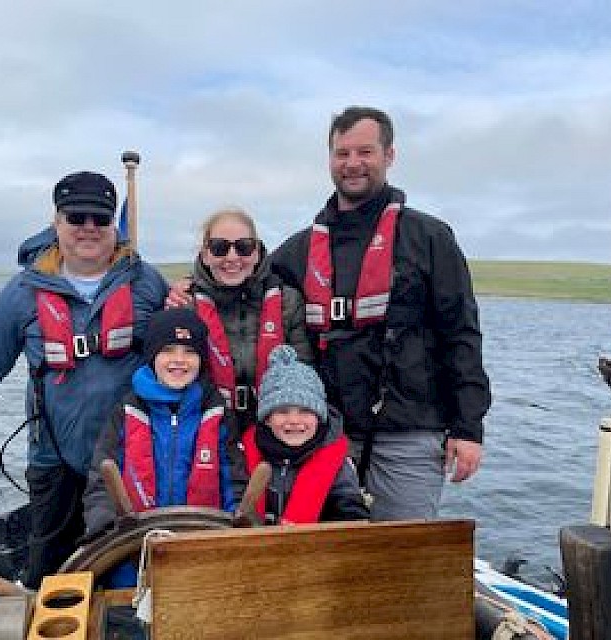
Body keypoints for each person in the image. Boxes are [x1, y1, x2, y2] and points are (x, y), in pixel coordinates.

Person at [0, 170, 168, 588]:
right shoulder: (23, 292)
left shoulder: (146, 283)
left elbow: (184, 353)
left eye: (100, 219)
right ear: (56, 222)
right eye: (77, 218)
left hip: (131, 456)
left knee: (133, 571)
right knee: (50, 578)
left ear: (115, 224)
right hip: (54, 458)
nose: (89, 228)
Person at [269, 106, 491, 521]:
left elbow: (462, 334)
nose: (353, 164)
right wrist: (187, 289)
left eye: (365, 152)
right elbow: (238, 277)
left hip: (411, 434)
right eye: (342, 153)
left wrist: (467, 428)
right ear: (330, 159)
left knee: (400, 564)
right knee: (323, 562)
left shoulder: (430, 238)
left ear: (389, 156)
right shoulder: (297, 251)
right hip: (327, 436)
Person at [82, 308, 239, 584]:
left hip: (204, 551)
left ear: (201, 360)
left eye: (189, 352)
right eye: (168, 350)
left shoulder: (217, 413)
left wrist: (237, 529)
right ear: (152, 356)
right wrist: (105, 528)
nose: (179, 360)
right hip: (132, 556)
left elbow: (234, 481)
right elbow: (100, 484)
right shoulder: (125, 412)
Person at [180, 207, 313, 437]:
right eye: (219, 248)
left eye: (243, 247)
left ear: (258, 252)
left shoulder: (288, 301)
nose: (232, 258)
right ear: (205, 254)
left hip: (274, 425)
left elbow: (304, 371)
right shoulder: (185, 306)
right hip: (207, 425)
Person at [239, 345, 369, 524]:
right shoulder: (244, 452)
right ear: (267, 419)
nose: (294, 420)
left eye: (305, 411)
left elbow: (349, 508)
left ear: (319, 417)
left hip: (317, 547)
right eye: (283, 411)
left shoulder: (340, 462)